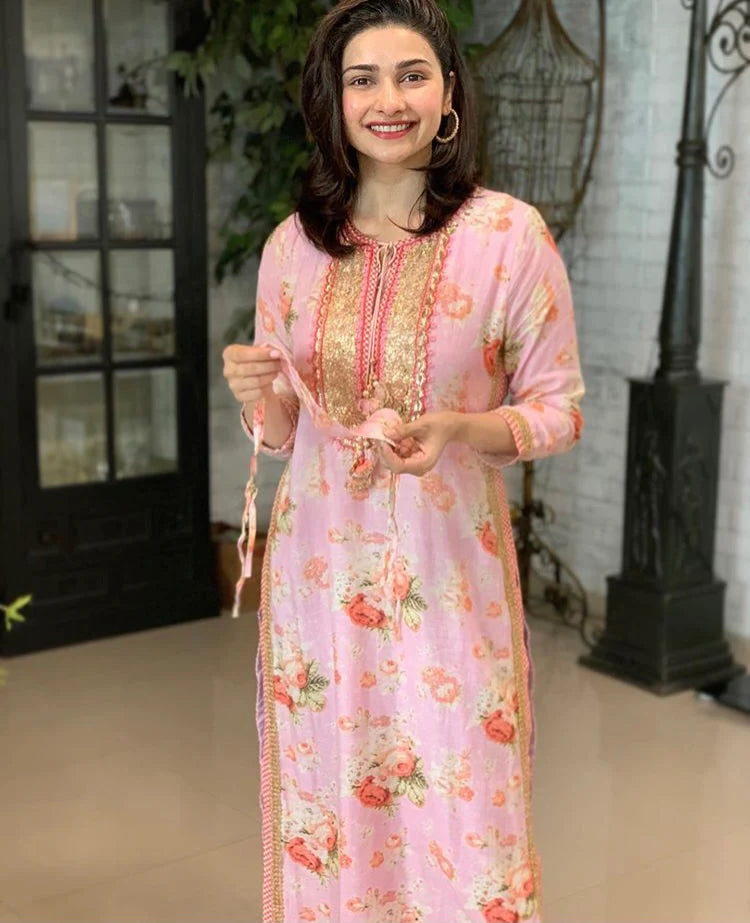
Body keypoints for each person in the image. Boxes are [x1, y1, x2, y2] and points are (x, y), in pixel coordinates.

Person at [222, 1, 584, 920]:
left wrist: (460, 430)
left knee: (465, 804)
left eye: (412, 75)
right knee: (334, 797)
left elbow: (560, 411)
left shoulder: (509, 238)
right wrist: (253, 388)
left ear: (449, 92)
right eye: (363, 80)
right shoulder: (292, 247)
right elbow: (281, 432)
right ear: (333, 100)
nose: (389, 100)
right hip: (319, 582)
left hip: (448, 577)